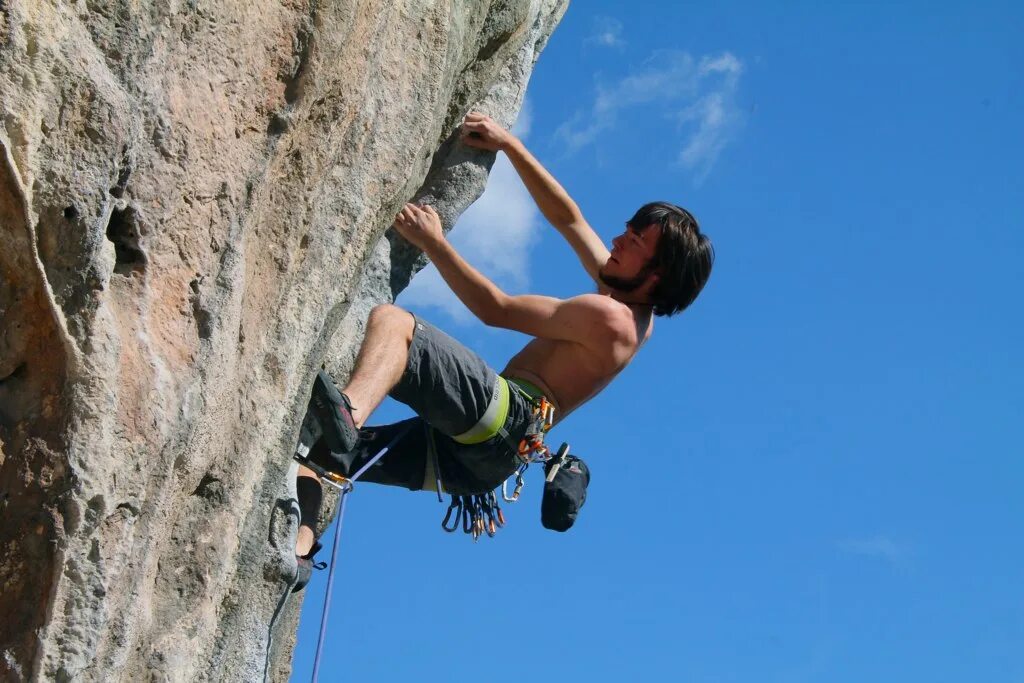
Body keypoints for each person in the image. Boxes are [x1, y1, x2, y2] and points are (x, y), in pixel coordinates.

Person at [291, 112, 714, 589]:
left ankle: (350, 414)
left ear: (654, 276)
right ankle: (299, 552)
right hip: (484, 468)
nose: (617, 240)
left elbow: (497, 309)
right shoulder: (631, 307)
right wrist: (509, 145)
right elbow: (568, 217)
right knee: (320, 457)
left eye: (633, 242)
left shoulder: (611, 319)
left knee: (395, 324)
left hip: (506, 420)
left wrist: (433, 242)